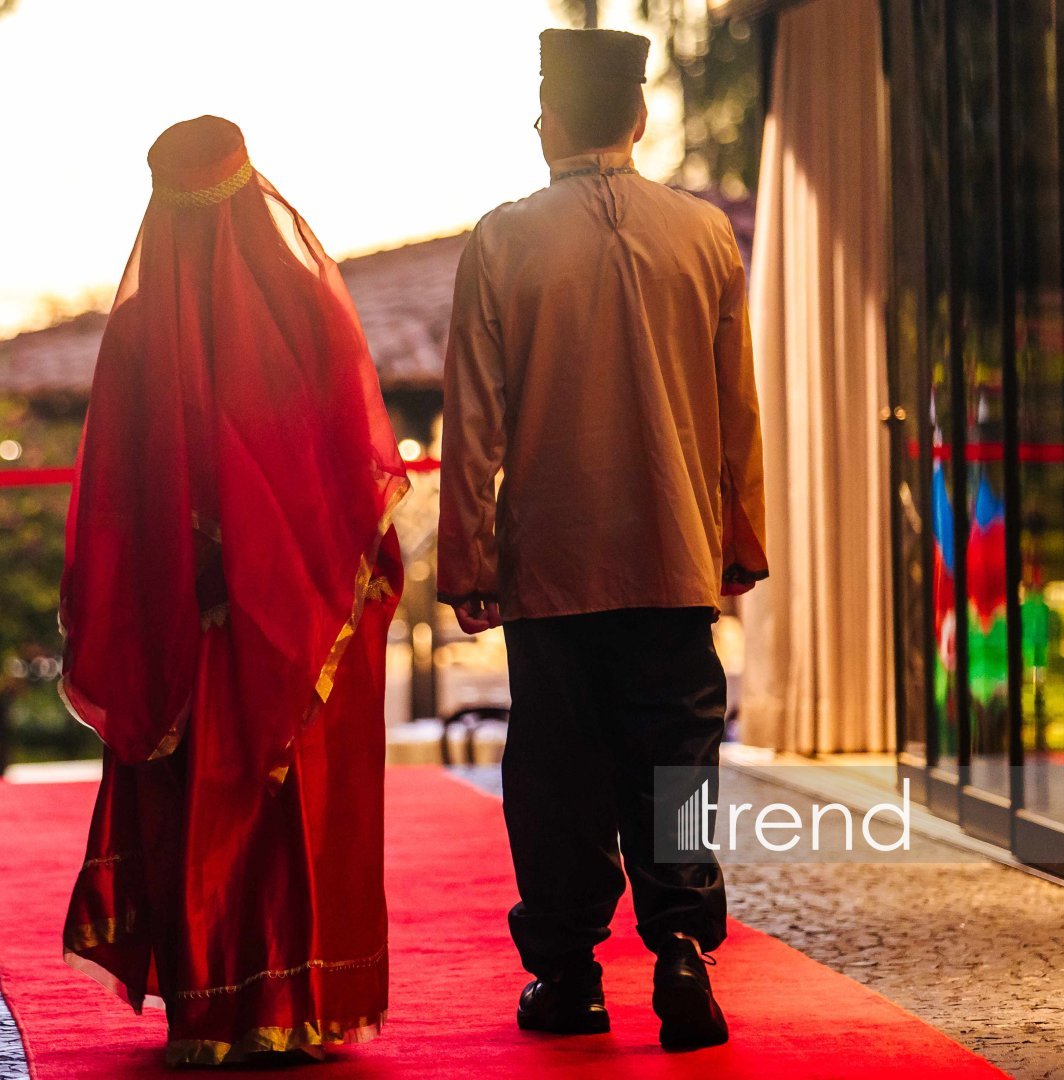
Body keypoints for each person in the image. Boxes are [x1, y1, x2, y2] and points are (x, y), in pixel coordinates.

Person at [437, 28, 767, 1052]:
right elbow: (736, 409)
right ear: (638, 119)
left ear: (547, 125)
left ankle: (571, 976)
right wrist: (737, 538)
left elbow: (473, 420)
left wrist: (469, 561)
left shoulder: (503, 240)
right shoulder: (704, 234)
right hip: (674, 555)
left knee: (560, 771)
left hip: (554, 563)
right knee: (677, 764)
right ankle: (681, 956)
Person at [58, 115, 408, 1066]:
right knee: (295, 805)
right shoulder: (307, 307)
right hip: (300, 622)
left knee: (207, 808)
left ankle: (213, 1013)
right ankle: (304, 1006)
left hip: (187, 625)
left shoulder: (137, 331)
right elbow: (356, 471)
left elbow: (116, 502)